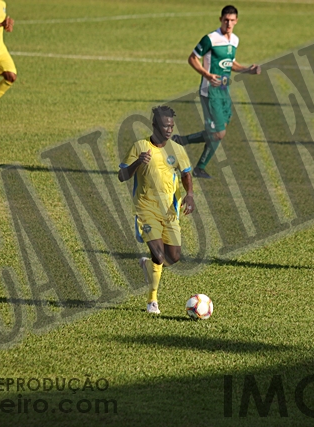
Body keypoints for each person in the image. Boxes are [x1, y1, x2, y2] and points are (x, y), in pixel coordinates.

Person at [118, 106, 195, 314]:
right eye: (165, 126)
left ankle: (148, 266)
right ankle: (152, 301)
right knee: (159, 256)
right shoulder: (140, 147)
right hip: (146, 209)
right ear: (154, 126)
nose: (169, 130)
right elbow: (122, 175)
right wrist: (137, 162)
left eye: (171, 126)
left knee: (173, 257)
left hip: (169, 212)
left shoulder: (177, 150)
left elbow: (186, 174)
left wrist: (189, 194)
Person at [172, 5, 261, 179]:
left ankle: (182, 142)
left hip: (224, 91)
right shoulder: (211, 39)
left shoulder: (234, 40)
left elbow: (231, 63)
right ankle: (199, 166)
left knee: (217, 132)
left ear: (236, 21)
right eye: (226, 20)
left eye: (232, 20)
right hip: (209, 92)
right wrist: (207, 74)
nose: (229, 23)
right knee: (219, 133)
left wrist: (247, 70)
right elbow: (192, 58)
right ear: (220, 19)